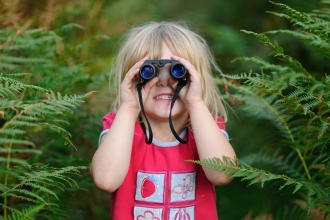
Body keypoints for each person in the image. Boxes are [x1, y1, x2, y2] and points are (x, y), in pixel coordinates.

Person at [91, 21, 236, 219]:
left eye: (178, 70)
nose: (164, 80)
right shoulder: (121, 128)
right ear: (131, 78)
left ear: (196, 79)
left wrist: (194, 101)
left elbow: (222, 173)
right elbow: (106, 180)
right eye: (149, 71)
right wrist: (130, 106)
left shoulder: (206, 129)